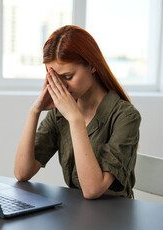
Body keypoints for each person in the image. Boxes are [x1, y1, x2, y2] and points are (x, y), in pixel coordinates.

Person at [14, 25, 141, 199]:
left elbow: (92, 190)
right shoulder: (59, 112)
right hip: (76, 214)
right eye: (55, 78)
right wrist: (34, 111)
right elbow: (22, 172)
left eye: (68, 77)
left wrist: (75, 119)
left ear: (92, 66)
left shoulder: (125, 116)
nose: (62, 87)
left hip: (113, 217)